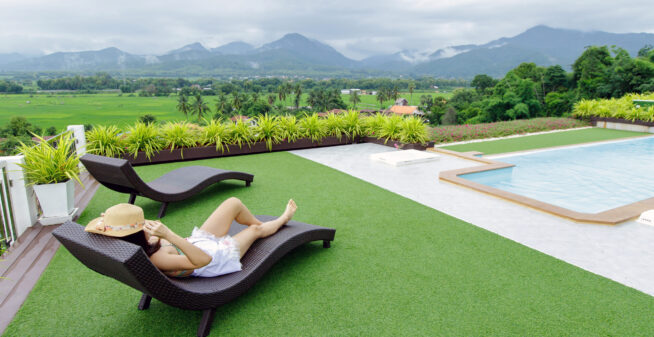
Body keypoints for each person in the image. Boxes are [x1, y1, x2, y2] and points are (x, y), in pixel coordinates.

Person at [85, 197, 297, 278]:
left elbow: (137, 225)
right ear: (135, 234)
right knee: (255, 232)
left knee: (233, 203)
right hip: (214, 258)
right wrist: (169, 235)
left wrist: (122, 221)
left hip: (194, 244)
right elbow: (204, 260)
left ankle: (262, 227)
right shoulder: (157, 259)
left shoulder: (137, 241)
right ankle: (280, 220)